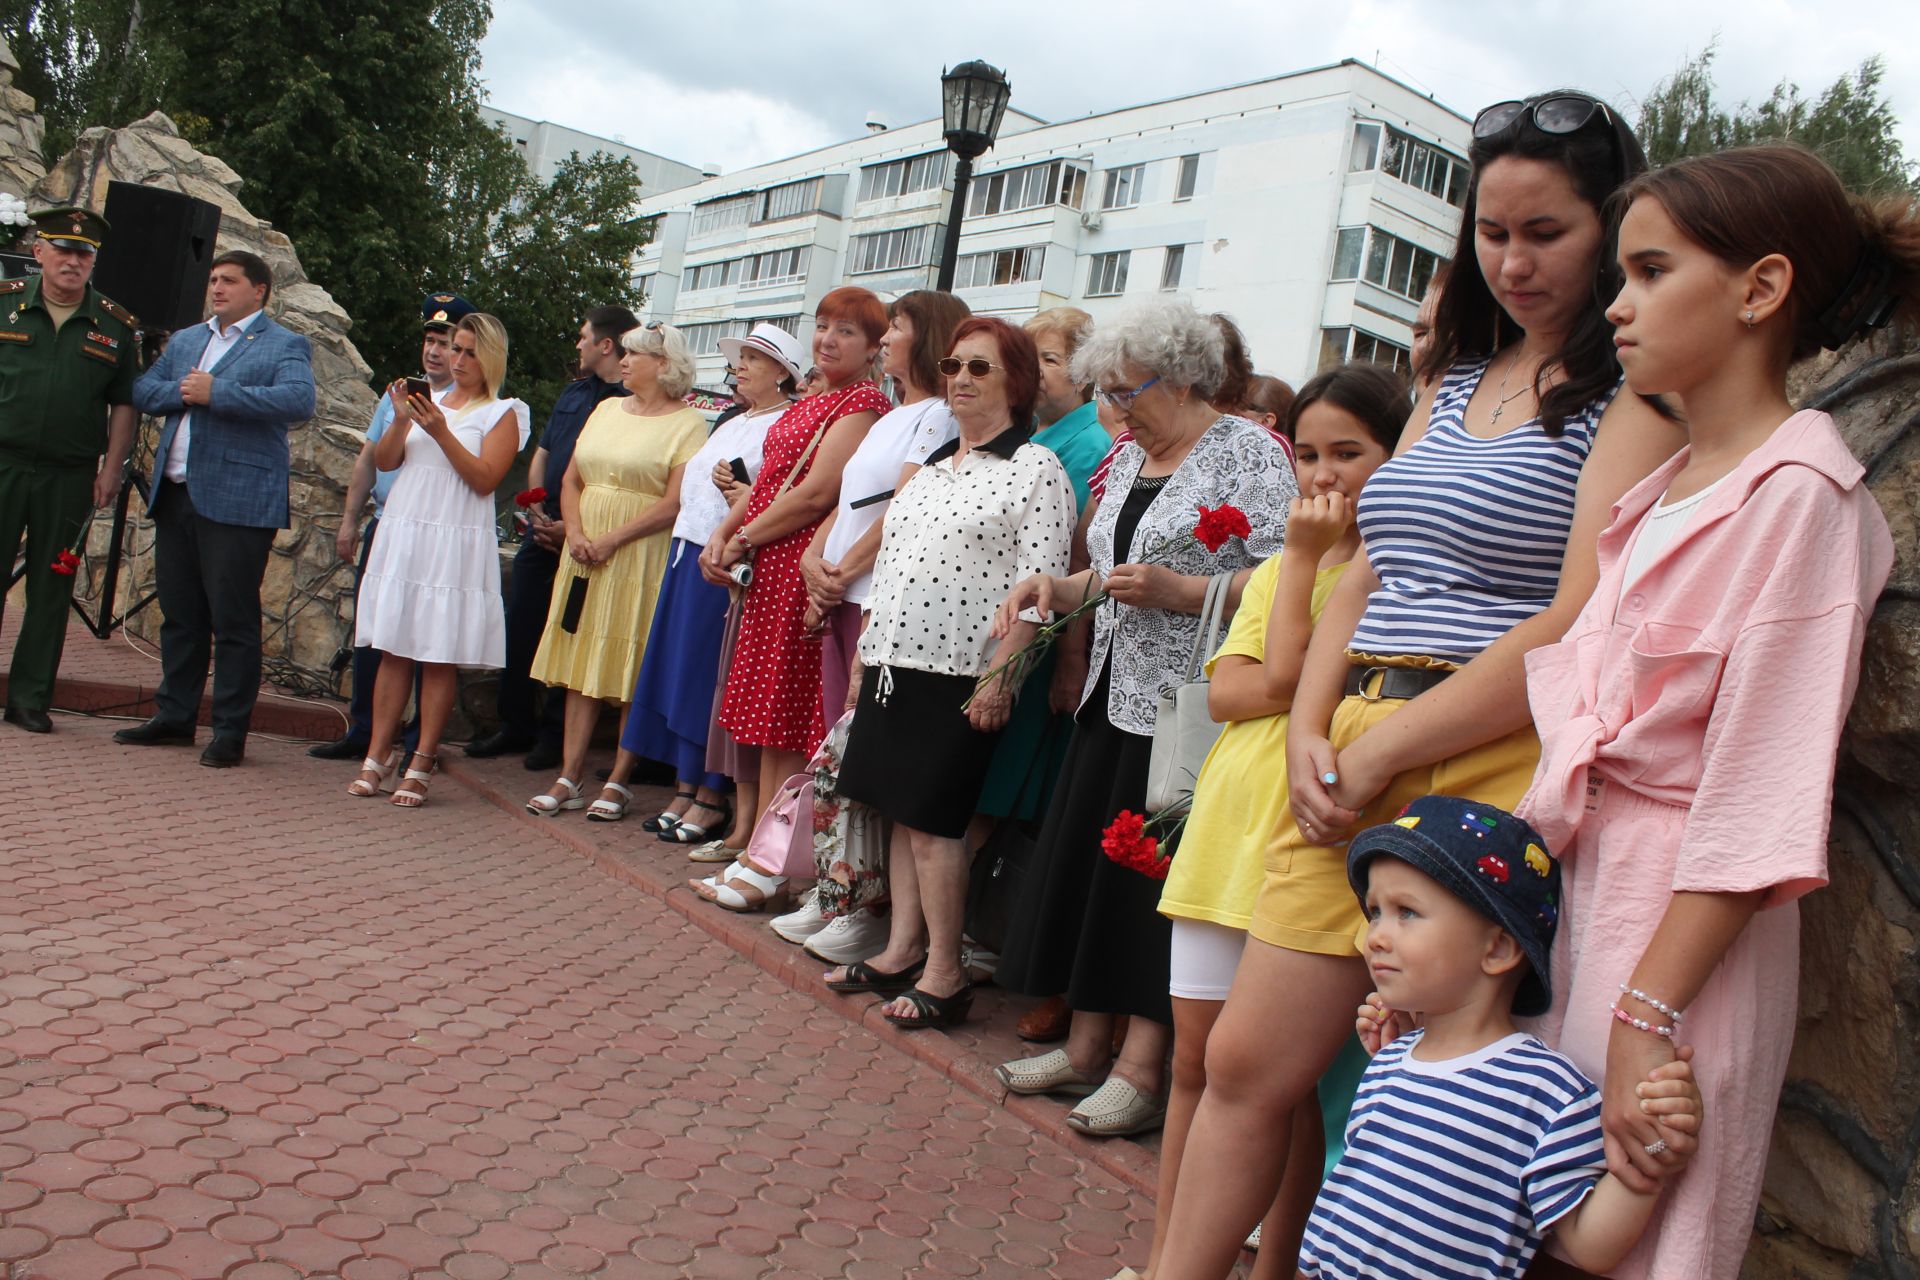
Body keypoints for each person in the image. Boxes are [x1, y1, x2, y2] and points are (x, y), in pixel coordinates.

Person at [1149, 91, 1686, 1279]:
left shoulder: (1632, 394)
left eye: (1545, 232)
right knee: (1246, 1064)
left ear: (1611, 226)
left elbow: (1576, 614)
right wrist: (1307, 726)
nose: (1513, 259)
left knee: (1428, 1086)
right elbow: (1364, 572)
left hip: (1482, 749)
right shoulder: (1452, 381)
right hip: (1353, 735)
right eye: (1493, 232)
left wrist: (1389, 748)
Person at [1515, 144, 1897, 1280]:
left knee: (1645, 1242)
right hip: (1581, 904)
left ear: (1759, 287)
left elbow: (1757, 797)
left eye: (1647, 270)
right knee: (1538, 1221)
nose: (1617, 306)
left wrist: (1647, 1014)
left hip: (1677, 945)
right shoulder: (1660, 490)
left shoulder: (1804, 501)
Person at [990, 295, 1297, 1139]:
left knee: (1154, 893)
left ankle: (1141, 1068)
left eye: (1129, 391)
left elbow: (1287, 581)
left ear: (1186, 376)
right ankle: (1088, 1047)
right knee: (1099, 879)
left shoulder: (1250, 454)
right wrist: (1056, 588)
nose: (1116, 410)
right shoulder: (1128, 459)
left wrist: (1187, 594)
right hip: (1113, 697)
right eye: (1108, 393)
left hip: (1190, 706)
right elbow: (1113, 574)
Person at [1140, 364, 1405, 1278]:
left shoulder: (1392, 569)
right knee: (1193, 1068)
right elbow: (1229, 691)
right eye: (1307, 454)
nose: (1324, 477)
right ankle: (1169, 1250)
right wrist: (1292, 565)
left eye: (1350, 453)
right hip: (1227, 825)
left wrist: (1297, 564)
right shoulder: (1282, 566)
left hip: (1305, 832)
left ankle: (1273, 1264)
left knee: (1279, 1086)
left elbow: (1286, 679)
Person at [1293, 796, 1703, 1280]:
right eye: (1375, 912)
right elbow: (1348, 1199)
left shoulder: (1545, 1092)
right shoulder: (1390, 1060)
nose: (1376, 936)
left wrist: (1655, 1151)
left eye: (1406, 912)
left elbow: (1589, 1244)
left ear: (1498, 948)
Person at [822, 317, 1076, 1028]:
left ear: (1016, 382)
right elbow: (895, 567)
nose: (960, 377)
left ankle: (946, 972)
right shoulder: (933, 468)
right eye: (953, 364)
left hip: (960, 672)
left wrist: (1004, 677)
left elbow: (1042, 583)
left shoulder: (1036, 468)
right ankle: (902, 949)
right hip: (895, 665)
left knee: (936, 826)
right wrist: (867, 659)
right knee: (901, 815)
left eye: (981, 368)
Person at [782, 290, 967, 960]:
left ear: (925, 340)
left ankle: (864, 905)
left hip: (874, 597)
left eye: (897, 328)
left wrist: (841, 573)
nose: (887, 338)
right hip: (843, 590)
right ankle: (836, 889)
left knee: (860, 756)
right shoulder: (894, 413)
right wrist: (813, 557)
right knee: (837, 753)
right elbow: (851, 499)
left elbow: (902, 510)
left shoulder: (940, 415)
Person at [693, 287, 891, 910]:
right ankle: (761, 851)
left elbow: (815, 494)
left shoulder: (862, 402)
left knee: (789, 713)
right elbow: (773, 482)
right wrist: (725, 534)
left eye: (847, 332)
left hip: (799, 559)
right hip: (773, 556)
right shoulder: (821, 397)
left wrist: (742, 536)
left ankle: (776, 862)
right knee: (769, 719)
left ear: (873, 348)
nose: (829, 339)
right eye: (823, 326)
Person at [593, 321, 805, 837]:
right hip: (688, 549)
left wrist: (738, 514)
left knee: (709, 677)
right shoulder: (733, 420)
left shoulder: (787, 422)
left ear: (782, 372)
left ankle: (711, 794)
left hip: (726, 560)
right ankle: (686, 787)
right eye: (740, 358)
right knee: (681, 670)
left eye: (753, 359)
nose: (741, 367)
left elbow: (774, 496)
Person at [118, 250, 316, 767]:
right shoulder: (188, 339)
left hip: (238, 502)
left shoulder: (283, 343)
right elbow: (143, 388)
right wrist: (188, 394)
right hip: (177, 494)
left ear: (260, 290)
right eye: (212, 280)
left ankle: (229, 731)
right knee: (180, 616)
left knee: (233, 620)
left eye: (229, 280)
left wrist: (218, 392)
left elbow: (298, 401)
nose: (217, 288)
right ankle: (175, 715)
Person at [347, 313, 529, 806]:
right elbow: (386, 461)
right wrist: (403, 416)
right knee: (393, 645)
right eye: (456, 349)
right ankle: (378, 751)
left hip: (453, 535)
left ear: (490, 357)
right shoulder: (429, 401)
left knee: (437, 651)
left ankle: (422, 756)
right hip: (407, 527)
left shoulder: (504, 411)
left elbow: (486, 478)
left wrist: (443, 430)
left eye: (470, 351)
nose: (459, 359)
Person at [525, 322, 706, 815]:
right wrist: (578, 535)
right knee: (580, 660)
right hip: (583, 553)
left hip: (638, 555)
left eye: (635, 354)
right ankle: (569, 776)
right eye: (622, 353)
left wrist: (610, 540)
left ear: (664, 364)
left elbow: (674, 503)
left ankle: (618, 780)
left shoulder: (689, 424)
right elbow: (572, 479)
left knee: (629, 661)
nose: (623, 362)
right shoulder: (605, 408)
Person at [468, 306, 637, 770]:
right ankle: (514, 724)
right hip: (543, 529)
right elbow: (544, 452)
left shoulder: (626, 403)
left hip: (582, 538)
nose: (577, 345)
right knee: (521, 625)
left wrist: (573, 526)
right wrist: (537, 505)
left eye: (584, 337)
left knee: (571, 633)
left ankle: (553, 737)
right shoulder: (574, 392)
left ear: (606, 344)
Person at [309, 291, 474, 760]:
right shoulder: (398, 391)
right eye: (429, 339)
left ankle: (418, 742)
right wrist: (348, 521)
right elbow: (370, 459)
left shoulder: (472, 403)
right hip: (387, 527)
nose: (434, 350)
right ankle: (364, 731)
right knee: (375, 632)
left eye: (445, 341)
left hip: (437, 532)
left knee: (428, 639)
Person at [0, 206, 137, 734]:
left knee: (52, 587)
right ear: (38, 253)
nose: (72, 261)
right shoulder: (5, 306)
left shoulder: (114, 325)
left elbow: (124, 402)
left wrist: (112, 467)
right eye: (62, 249)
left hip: (69, 475)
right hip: (4, 464)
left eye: (84, 253)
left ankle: (29, 697)